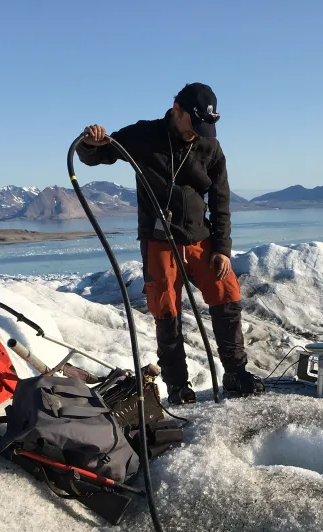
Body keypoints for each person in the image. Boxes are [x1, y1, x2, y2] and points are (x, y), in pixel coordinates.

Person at [76, 83, 263, 405]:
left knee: (227, 294)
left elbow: (220, 200)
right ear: (177, 109)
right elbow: (98, 156)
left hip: (200, 238)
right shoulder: (142, 135)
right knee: (166, 308)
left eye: (206, 127)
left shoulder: (210, 146)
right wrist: (89, 143)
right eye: (194, 124)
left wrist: (222, 249)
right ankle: (178, 385)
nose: (198, 133)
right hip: (158, 240)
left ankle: (235, 373)